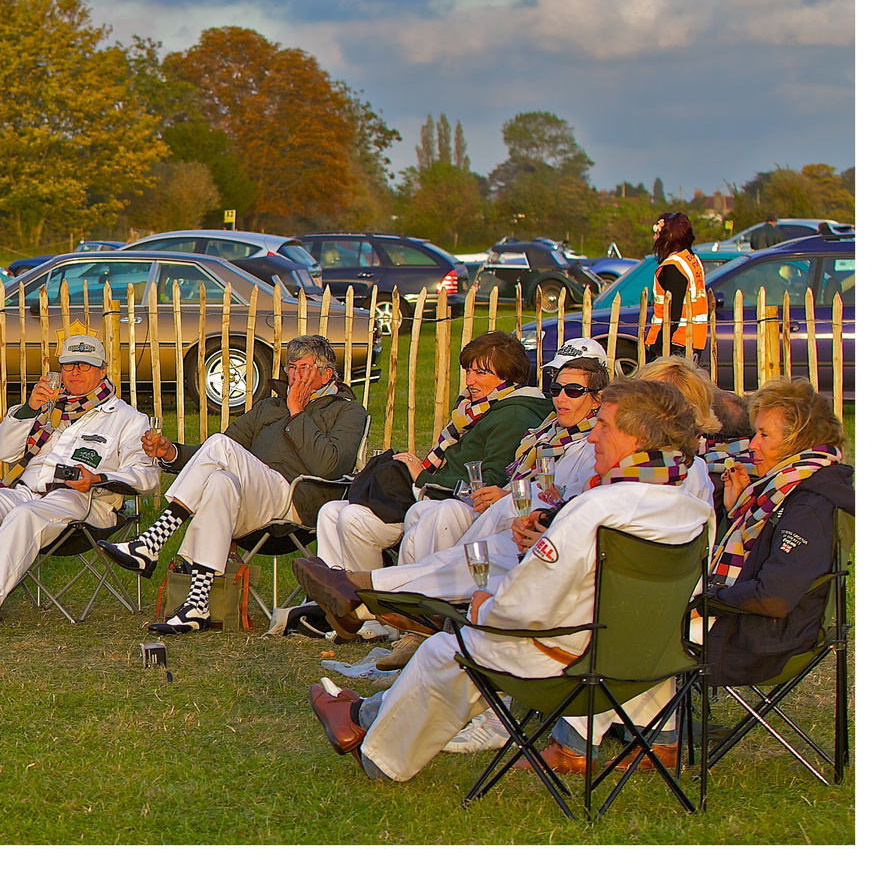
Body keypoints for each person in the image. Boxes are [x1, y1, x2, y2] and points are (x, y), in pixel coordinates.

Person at [308, 380, 710, 783]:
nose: (594, 438)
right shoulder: (690, 509)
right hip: (647, 656)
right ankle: (359, 706)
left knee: (451, 649)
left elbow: (527, 604)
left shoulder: (598, 507)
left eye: (603, 426)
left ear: (638, 437)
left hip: (572, 661)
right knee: (469, 631)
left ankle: (377, 752)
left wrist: (484, 606)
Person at [298, 346, 612, 663]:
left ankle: (375, 602)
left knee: (454, 537)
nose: (559, 398)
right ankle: (379, 608)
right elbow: (545, 490)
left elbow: (559, 498)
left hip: (536, 541)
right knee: (381, 519)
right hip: (516, 525)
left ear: (599, 399)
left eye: (572, 391)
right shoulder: (545, 430)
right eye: (556, 388)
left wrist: (515, 504)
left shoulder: (552, 430)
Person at [98, 335, 368, 633]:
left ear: (326, 373)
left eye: (303, 368)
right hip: (250, 502)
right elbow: (218, 452)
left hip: (295, 502)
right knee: (219, 480)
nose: (294, 376)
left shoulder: (348, 411)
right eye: (290, 367)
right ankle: (197, 606)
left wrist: (297, 412)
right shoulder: (269, 407)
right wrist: (170, 452)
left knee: (219, 448)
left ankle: (151, 542)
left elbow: (329, 465)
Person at [303, 331, 549, 619]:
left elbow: (489, 480)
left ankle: (377, 610)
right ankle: (345, 612)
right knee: (332, 511)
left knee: (357, 518)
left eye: (481, 373)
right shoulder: (477, 408)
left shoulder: (514, 413)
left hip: (453, 503)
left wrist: (420, 476)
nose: (470, 381)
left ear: (509, 377)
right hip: (429, 494)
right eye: (469, 371)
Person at [0, 334, 160, 632]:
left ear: (103, 370)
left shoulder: (127, 419)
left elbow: (147, 476)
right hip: (28, 492)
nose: (75, 372)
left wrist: (99, 478)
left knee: (26, 514)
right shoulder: (48, 407)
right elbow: (3, 451)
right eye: (69, 366)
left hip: (84, 500)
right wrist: (29, 408)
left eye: (85, 365)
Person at [706, 377, 851, 687]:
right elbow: (757, 556)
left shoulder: (809, 503)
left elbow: (773, 597)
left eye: (764, 435)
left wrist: (710, 597)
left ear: (797, 442)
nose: (752, 444)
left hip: (765, 642)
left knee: (645, 627)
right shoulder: (785, 487)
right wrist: (734, 511)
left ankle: (659, 729)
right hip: (762, 627)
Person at [645, 210, 708, 362]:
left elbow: (672, 315)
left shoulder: (673, 267)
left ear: (670, 236)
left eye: (659, 232)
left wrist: (656, 351)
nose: (655, 237)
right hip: (691, 340)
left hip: (674, 343)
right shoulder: (691, 259)